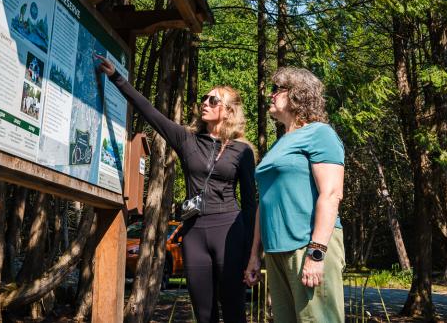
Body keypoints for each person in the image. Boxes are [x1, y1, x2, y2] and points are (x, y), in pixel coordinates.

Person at [94, 54, 257, 323]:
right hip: (193, 233)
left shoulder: (242, 151)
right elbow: (150, 112)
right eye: (204, 98)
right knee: (204, 315)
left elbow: (251, 204)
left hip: (230, 230)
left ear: (228, 111)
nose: (205, 102)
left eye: (213, 100)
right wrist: (116, 78)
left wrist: (253, 254)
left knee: (233, 311)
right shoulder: (187, 139)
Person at [243, 66, 345, 323]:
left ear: (298, 95)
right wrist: (255, 255)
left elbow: (331, 193)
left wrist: (317, 252)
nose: (271, 94)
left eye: (277, 89)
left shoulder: (320, 134)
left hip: (307, 245)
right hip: (276, 251)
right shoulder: (280, 144)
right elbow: (264, 202)